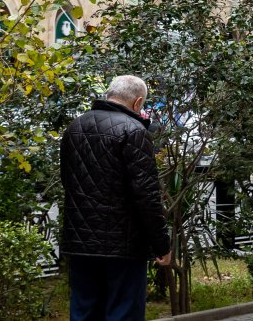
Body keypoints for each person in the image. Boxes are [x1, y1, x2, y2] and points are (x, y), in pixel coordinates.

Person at [61, 75, 171, 321]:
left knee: (83, 311)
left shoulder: (75, 126)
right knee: (123, 312)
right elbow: (147, 195)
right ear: (137, 102)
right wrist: (161, 244)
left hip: (81, 241)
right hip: (124, 245)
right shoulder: (134, 131)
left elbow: (68, 180)